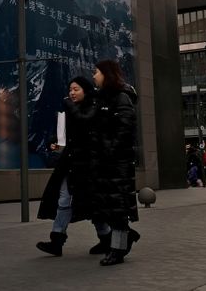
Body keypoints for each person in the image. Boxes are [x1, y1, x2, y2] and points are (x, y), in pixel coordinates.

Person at [35, 76, 111, 256]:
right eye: (70, 89)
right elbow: (67, 135)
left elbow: (84, 121)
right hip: (71, 162)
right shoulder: (71, 110)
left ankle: (106, 238)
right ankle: (57, 240)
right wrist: (54, 142)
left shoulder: (93, 106)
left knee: (93, 203)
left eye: (76, 89)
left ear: (85, 90)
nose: (71, 93)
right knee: (65, 199)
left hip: (88, 165)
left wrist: (70, 106)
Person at [92, 59, 140, 266]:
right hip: (107, 162)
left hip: (117, 163)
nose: (94, 76)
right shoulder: (104, 98)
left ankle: (117, 250)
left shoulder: (121, 97)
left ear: (107, 74)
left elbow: (125, 127)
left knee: (118, 208)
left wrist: (110, 149)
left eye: (96, 72)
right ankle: (125, 239)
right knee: (110, 207)